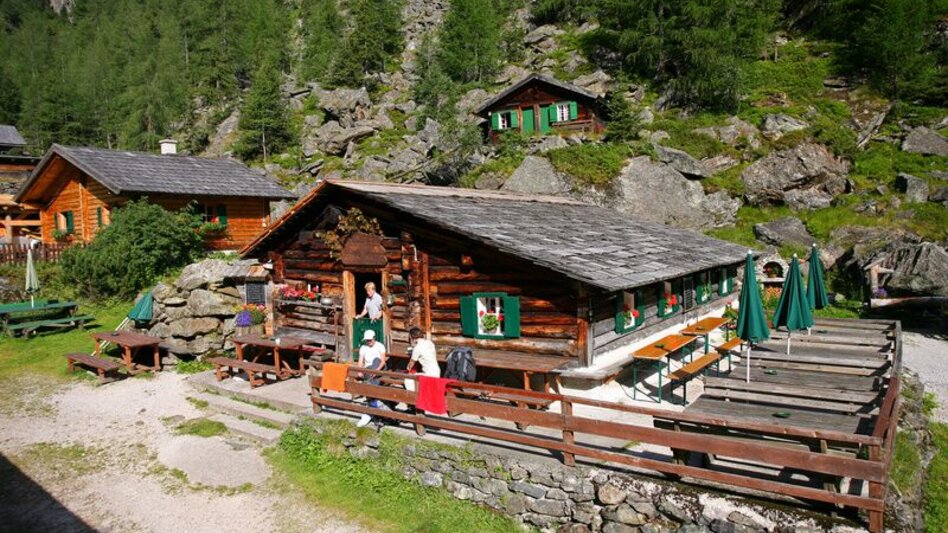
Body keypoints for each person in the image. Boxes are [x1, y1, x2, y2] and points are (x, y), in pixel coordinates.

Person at [356, 329, 388, 428]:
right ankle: (374, 405)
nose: (368, 342)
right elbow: (360, 361)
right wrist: (359, 370)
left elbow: (383, 361)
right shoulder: (363, 348)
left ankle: (371, 400)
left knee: (376, 360)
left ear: (374, 338)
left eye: (370, 340)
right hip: (369, 370)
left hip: (379, 368)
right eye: (367, 340)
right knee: (369, 372)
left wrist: (376, 371)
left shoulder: (380, 346)